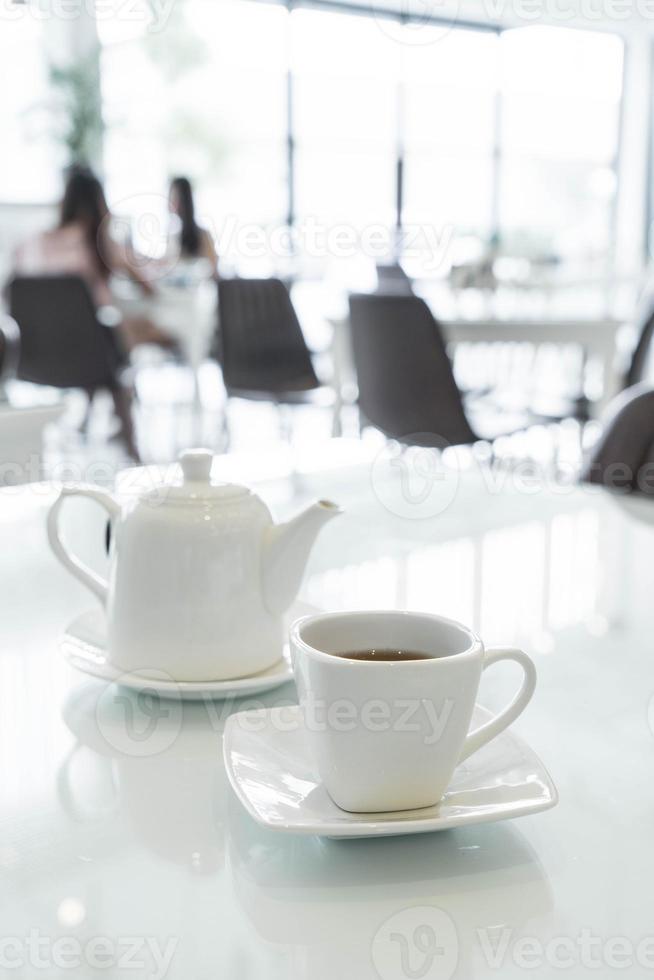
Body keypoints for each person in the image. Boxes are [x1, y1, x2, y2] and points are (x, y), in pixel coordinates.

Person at [13, 170, 174, 460]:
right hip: (90, 355)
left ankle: (89, 421)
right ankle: (132, 449)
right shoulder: (97, 242)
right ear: (100, 203)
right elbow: (149, 288)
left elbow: (10, 292)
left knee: (104, 337)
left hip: (35, 357)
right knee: (123, 338)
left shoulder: (32, 243)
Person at [168, 176, 218, 271]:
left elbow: (213, 269)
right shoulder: (172, 234)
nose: (170, 201)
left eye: (174, 196)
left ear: (185, 199)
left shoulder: (203, 235)